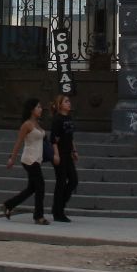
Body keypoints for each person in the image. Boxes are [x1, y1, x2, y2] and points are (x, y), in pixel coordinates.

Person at [0, 96, 50, 224]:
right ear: (31, 109)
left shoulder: (37, 124)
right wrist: (12, 158)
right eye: (38, 107)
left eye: (40, 107)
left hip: (36, 159)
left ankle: (8, 205)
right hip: (29, 159)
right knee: (40, 186)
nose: (41, 109)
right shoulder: (26, 124)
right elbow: (19, 142)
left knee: (32, 188)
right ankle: (38, 216)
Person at [48, 92, 79, 223]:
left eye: (69, 101)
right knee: (61, 182)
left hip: (68, 154)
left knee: (73, 180)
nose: (69, 103)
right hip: (60, 154)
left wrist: (74, 150)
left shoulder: (69, 117)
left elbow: (70, 136)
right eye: (66, 101)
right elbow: (53, 139)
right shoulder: (57, 119)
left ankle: (59, 206)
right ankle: (58, 212)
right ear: (60, 105)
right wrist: (56, 154)